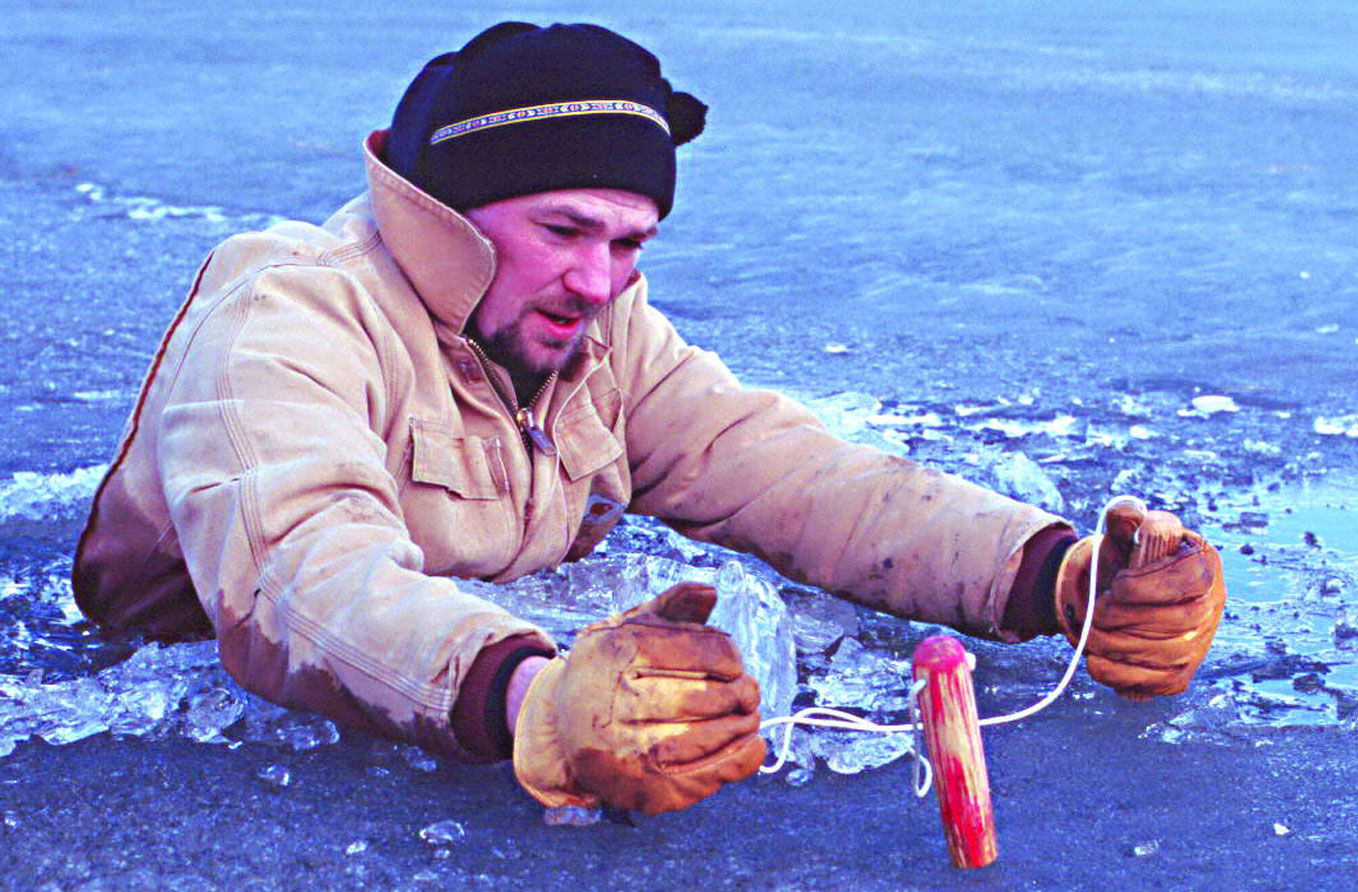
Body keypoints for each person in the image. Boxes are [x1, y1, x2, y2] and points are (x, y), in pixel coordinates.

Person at [72, 22, 1226, 816]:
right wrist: (534, 697)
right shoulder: (290, 306)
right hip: (190, 677)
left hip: (472, 638)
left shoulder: (597, 327)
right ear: (451, 212)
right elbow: (295, 576)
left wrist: (1050, 577)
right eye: (565, 229)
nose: (599, 279)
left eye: (628, 242)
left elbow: (787, 472)